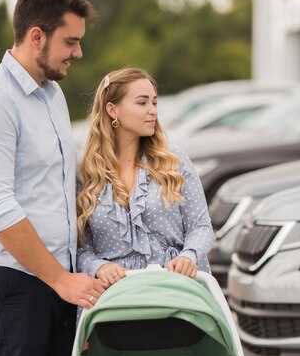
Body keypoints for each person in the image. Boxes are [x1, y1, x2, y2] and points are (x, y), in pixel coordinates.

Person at [0, 0, 105, 356]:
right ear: (36, 36)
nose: (78, 53)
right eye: (70, 42)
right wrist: (60, 279)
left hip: (58, 277)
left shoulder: (53, 95)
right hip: (14, 279)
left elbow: (65, 187)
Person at [76, 68, 214, 288]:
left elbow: (201, 227)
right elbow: (79, 248)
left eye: (154, 103)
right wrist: (99, 267)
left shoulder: (173, 160)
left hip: (174, 286)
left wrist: (188, 256)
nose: (152, 111)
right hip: (115, 294)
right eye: (142, 103)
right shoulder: (86, 171)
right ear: (113, 110)